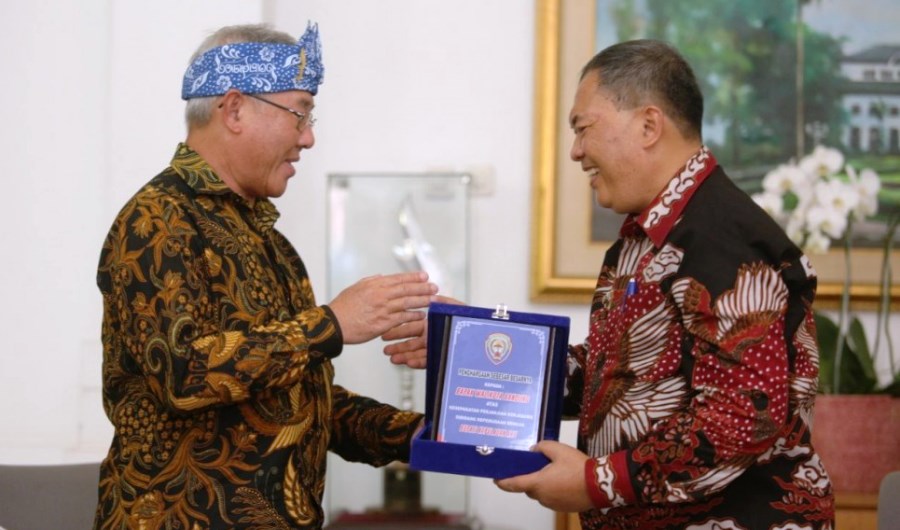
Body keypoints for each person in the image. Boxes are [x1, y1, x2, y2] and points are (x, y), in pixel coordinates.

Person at [94, 22, 439, 529]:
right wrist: (331, 325)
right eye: (300, 111)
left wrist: (421, 436)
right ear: (234, 109)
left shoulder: (270, 243)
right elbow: (185, 374)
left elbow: (297, 400)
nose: (309, 137)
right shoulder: (158, 219)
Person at [491, 40, 836, 528]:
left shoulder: (719, 236)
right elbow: (616, 379)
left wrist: (596, 483)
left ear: (649, 126)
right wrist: (477, 347)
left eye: (583, 128)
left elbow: (740, 416)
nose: (576, 152)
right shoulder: (651, 235)